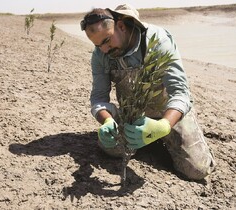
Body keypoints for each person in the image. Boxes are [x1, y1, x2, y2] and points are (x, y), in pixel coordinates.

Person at [80, 4, 215, 180]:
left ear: (121, 26)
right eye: (98, 45)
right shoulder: (101, 55)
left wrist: (163, 126)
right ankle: (146, 139)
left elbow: (180, 92)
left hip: (169, 113)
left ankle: (162, 137)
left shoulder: (157, 41)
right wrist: (106, 121)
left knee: (196, 170)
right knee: (111, 149)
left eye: (106, 41)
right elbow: (99, 97)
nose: (104, 50)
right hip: (134, 115)